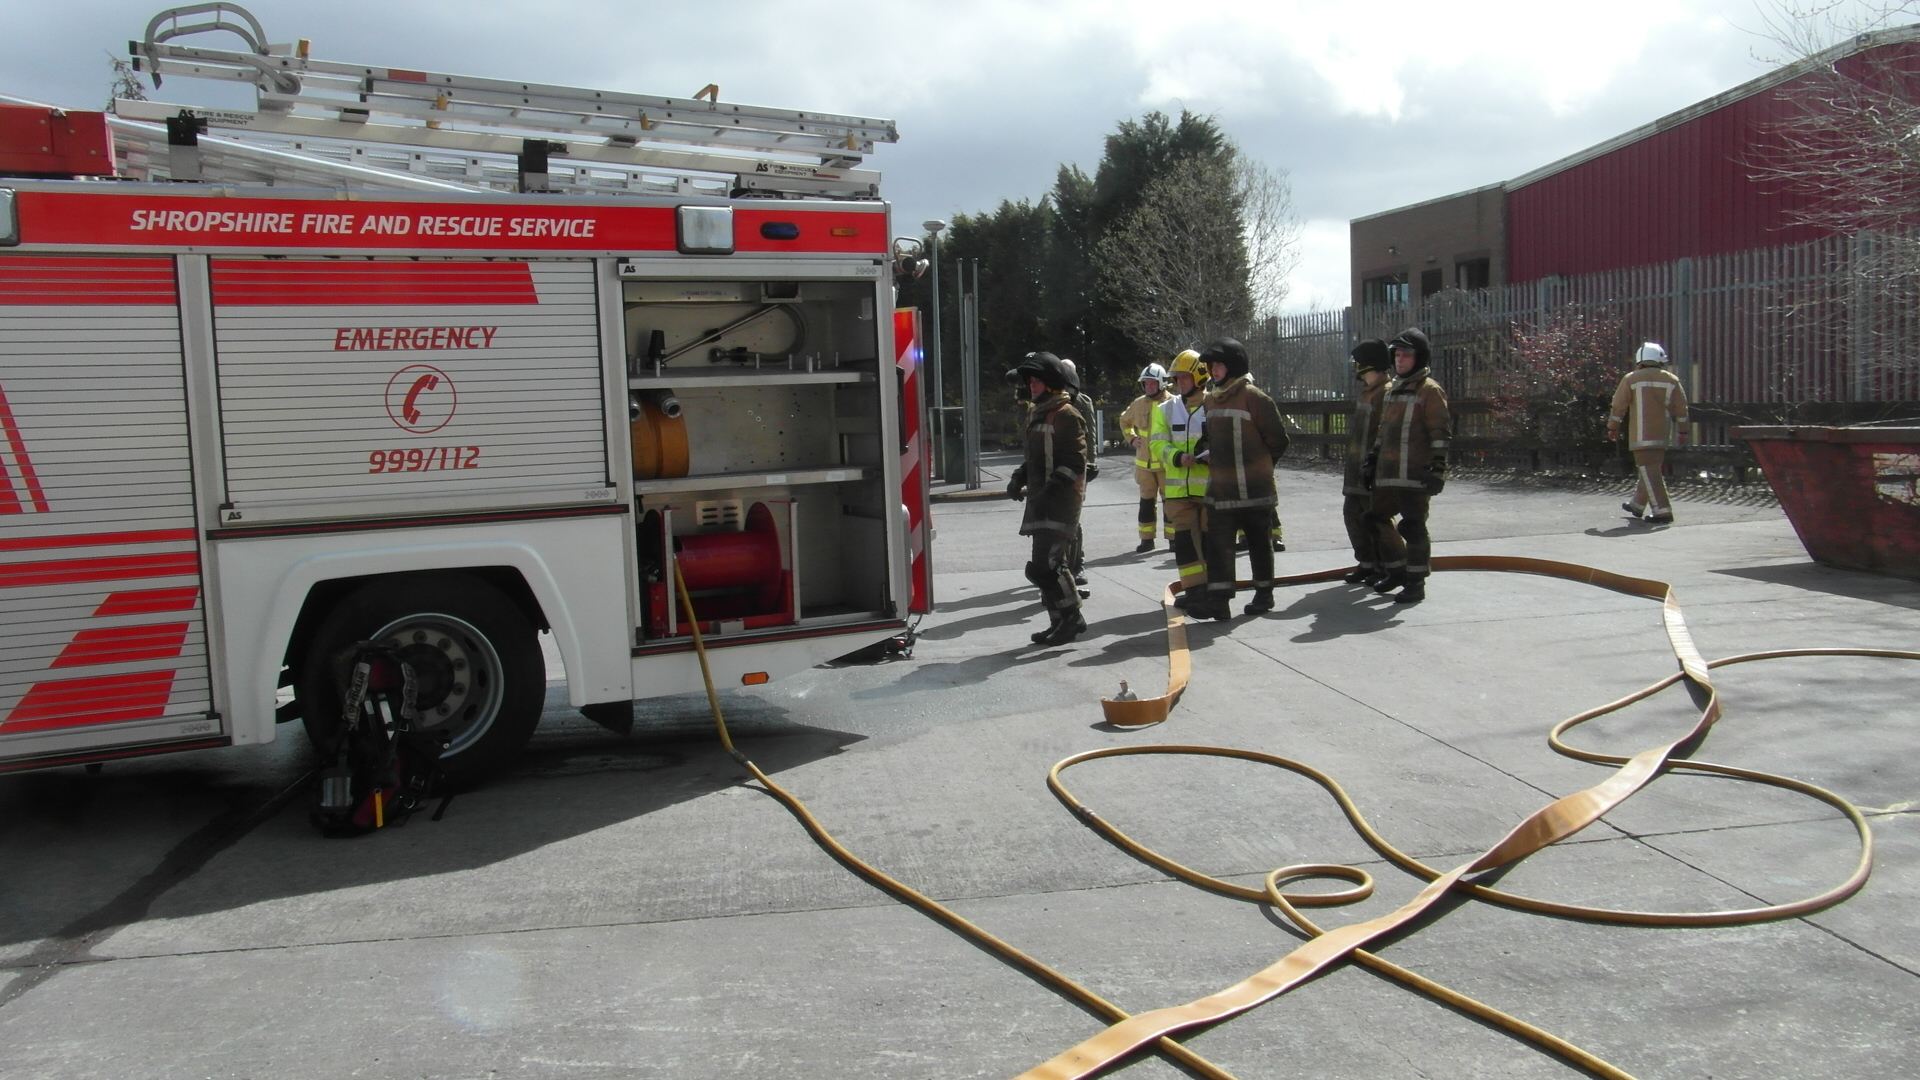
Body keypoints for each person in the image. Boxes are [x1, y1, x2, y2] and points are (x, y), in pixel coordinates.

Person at [1189, 338, 1289, 620]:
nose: (1214, 370)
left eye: (1219, 364)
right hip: (1221, 492)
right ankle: (1218, 603)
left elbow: (1278, 440)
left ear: (1234, 366)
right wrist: (1204, 447)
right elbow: (1211, 436)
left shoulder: (1255, 398)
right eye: (1212, 365)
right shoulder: (1210, 400)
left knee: (1259, 543)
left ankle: (1264, 594)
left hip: (1254, 492)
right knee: (1219, 546)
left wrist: (1260, 469)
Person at [1004, 352, 1088, 645]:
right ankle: (1058, 622)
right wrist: (1019, 478)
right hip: (1040, 502)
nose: (1032, 386)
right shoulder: (1036, 412)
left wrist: (1050, 492)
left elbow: (1075, 461)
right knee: (1041, 569)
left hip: (1060, 503)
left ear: (1051, 383)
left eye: (1037, 381)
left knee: (1050, 564)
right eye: (1030, 381)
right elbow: (1035, 458)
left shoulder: (1067, 414)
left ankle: (1073, 618)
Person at [1364, 328, 1451, 605]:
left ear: (1419, 358)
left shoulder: (1430, 391)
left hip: (1415, 475)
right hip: (1388, 474)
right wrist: (1372, 461)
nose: (1400, 360)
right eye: (1397, 355)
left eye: (1406, 355)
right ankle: (1397, 571)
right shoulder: (1392, 390)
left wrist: (1438, 470)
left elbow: (1440, 434)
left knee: (1413, 527)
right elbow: (1383, 430)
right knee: (1375, 519)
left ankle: (1416, 582)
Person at [1149, 349, 1210, 604]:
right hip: (1177, 493)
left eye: (1185, 377)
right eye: (1177, 378)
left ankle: (1213, 593)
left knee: (1209, 543)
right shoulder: (1165, 409)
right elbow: (1156, 443)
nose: (1179, 383)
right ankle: (1194, 592)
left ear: (1199, 377)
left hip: (1209, 491)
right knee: (1185, 545)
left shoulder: (1215, 405)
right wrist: (1177, 456)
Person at [1608, 342, 1690, 524]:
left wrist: (1612, 427)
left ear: (1640, 360)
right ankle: (1637, 505)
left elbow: (1618, 405)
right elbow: (1681, 408)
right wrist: (1683, 431)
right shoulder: (1671, 380)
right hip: (1662, 435)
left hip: (1640, 435)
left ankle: (1662, 511)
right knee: (1651, 468)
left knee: (1649, 470)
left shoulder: (1631, 379)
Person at [1341, 339, 1392, 586]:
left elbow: (1385, 434)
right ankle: (1366, 563)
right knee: (1352, 514)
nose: (1356, 368)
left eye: (1359, 363)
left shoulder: (1385, 393)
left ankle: (1386, 566)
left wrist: (1375, 465)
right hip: (1356, 468)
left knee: (1376, 519)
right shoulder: (1367, 392)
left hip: (1373, 469)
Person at [1121, 363, 1172, 553]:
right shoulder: (1138, 404)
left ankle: (1174, 539)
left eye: (1153, 383)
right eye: (1146, 383)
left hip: (1167, 465)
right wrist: (1131, 438)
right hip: (1145, 467)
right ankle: (1147, 540)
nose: (1149, 387)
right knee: (1146, 504)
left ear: (1162, 383)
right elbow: (1124, 421)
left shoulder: (1173, 403)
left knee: (1170, 504)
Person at [1059, 358, 1099, 587]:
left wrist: (1091, 462)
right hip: (1057, 466)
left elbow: (1090, 433)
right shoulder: (1050, 400)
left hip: (1079, 466)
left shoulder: (1083, 401)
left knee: (1074, 517)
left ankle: (1078, 564)